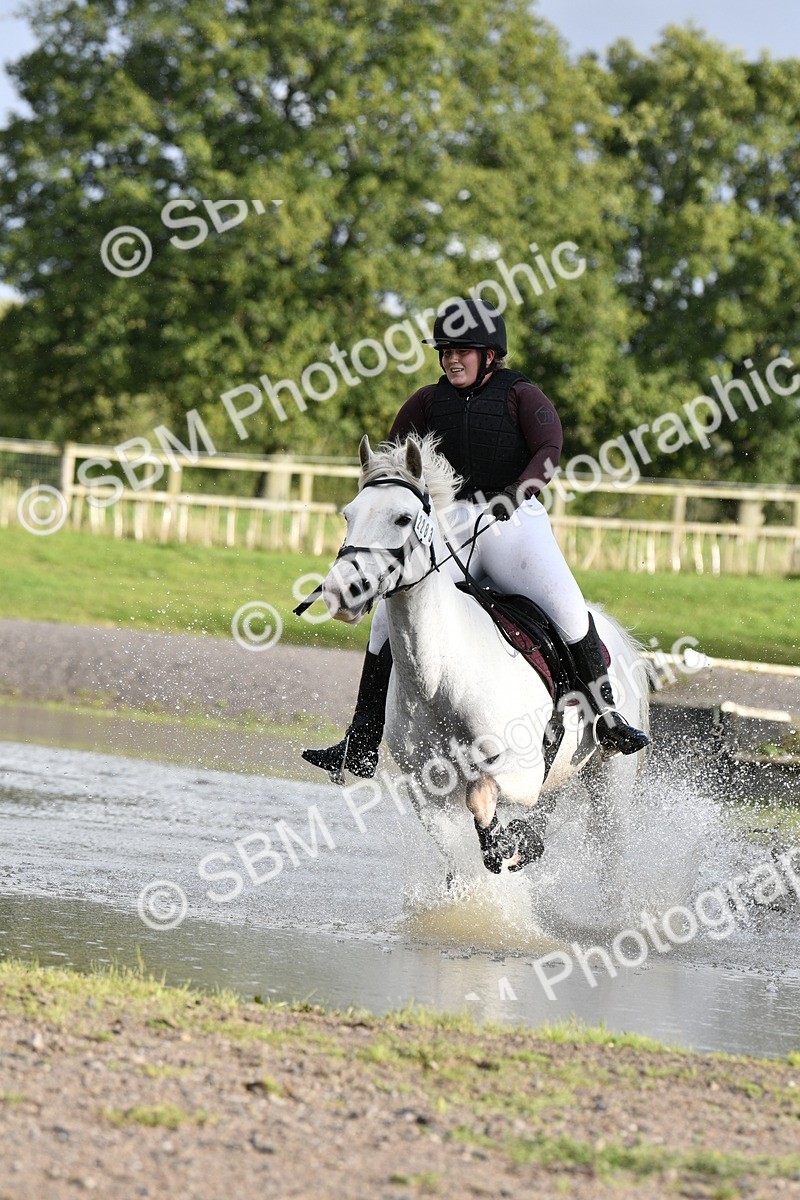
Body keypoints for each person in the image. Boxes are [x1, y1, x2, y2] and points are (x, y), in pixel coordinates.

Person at [303, 298, 649, 778]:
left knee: (568, 607)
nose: (450, 359)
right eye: (445, 351)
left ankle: (606, 713)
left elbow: (550, 449)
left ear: (489, 354)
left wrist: (517, 491)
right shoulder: (426, 401)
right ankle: (361, 739)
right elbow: (393, 464)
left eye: (462, 350)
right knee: (386, 615)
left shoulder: (520, 395)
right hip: (451, 526)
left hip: (513, 521)